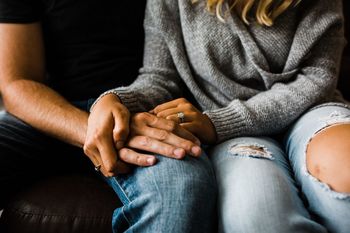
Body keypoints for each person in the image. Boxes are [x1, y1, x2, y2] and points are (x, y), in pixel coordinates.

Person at [88, 0, 350, 232]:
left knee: (343, 167)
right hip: (234, 134)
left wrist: (218, 122)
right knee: (254, 214)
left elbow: (318, 78)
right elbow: (160, 77)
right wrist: (117, 99)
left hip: (307, 112)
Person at [0, 0, 217, 232]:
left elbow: (163, 76)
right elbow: (17, 82)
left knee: (181, 191)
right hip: (52, 112)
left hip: (146, 112)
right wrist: (98, 131)